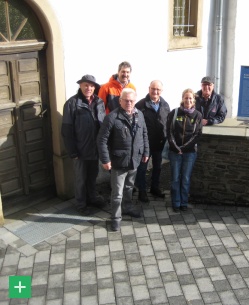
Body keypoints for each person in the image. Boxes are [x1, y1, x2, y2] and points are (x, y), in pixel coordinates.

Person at [97, 88, 149, 231]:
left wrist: (146, 152)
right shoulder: (112, 117)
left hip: (134, 160)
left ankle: (127, 208)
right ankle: (115, 218)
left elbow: (144, 134)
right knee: (117, 193)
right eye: (125, 100)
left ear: (135, 100)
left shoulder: (140, 115)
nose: (129, 103)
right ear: (120, 101)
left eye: (131, 100)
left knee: (129, 188)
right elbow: (102, 140)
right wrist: (105, 159)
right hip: (119, 162)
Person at [61, 75, 106, 216]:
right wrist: (72, 151)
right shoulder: (72, 103)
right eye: (86, 85)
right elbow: (66, 130)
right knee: (81, 179)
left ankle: (92, 198)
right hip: (80, 150)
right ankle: (81, 204)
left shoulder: (99, 102)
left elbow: (103, 125)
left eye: (92, 86)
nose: (89, 88)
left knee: (93, 176)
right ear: (80, 86)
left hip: (95, 148)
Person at [167, 89, 203, 213]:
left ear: (194, 100)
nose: (188, 100)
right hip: (174, 151)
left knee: (186, 178)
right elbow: (169, 131)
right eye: (186, 98)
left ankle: (184, 202)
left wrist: (184, 148)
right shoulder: (174, 113)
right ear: (182, 98)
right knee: (175, 178)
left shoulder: (197, 115)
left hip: (190, 152)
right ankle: (176, 203)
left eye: (190, 98)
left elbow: (197, 135)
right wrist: (176, 148)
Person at [135, 80, 170, 202]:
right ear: (149, 88)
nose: (155, 92)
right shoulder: (140, 105)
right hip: (145, 144)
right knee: (142, 169)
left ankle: (154, 188)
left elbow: (167, 123)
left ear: (161, 91)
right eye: (153, 89)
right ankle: (142, 191)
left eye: (158, 89)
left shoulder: (165, 105)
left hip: (159, 143)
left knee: (157, 167)